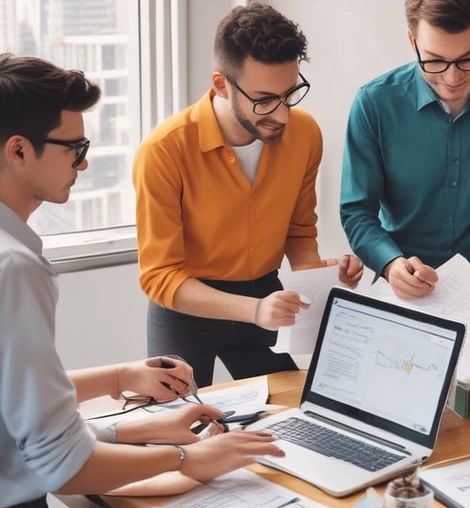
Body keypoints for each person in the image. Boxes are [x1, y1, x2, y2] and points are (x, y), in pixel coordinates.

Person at [0, 53, 284, 508]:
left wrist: (129, 409)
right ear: (18, 150)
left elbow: (15, 407)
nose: (84, 164)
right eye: (75, 148)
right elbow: (62, 465)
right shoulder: (14, 267)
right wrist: (187, 458)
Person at [133, 2, 363, 387]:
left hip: (266, 294)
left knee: (294, 414)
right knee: (179, 431)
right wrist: (253, 310)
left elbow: (299, 233)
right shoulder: (164, 150)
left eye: (291, 93)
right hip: (187, 307)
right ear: (221, 84)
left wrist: (323, 276)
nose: (283, 114)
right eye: (264, 99)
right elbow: (160, 276)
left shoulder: (306, 135)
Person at [340, 0, 470, 300]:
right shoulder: (373, 104)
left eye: (469, 58)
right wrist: (390, 264)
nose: (453, 78)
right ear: (412, 41)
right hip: (399, 292)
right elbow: (358, 211)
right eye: (435, 60)